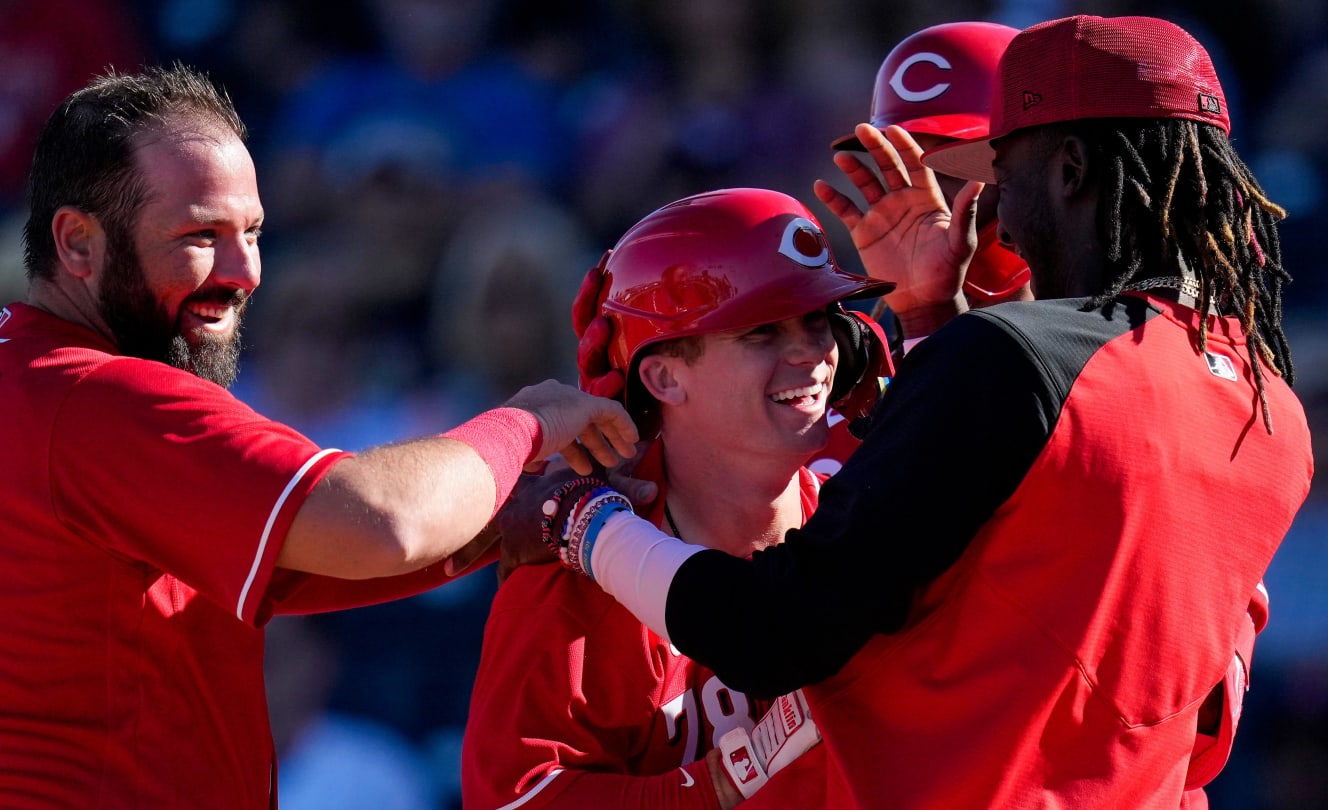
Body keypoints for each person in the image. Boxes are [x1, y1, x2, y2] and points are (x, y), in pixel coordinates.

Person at [524, 16, 1313, 807]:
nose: (983, 202)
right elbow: (1012, 564)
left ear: (1069, 168)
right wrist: (937, 324)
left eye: (1000, 165)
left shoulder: (1011, 360)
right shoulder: (1272, 407)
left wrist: (580, 520)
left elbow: (772, 633)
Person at [0, 64, 638, 807]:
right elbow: (382, 520)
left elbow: (289, 557)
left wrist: (502, 524)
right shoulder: (93, 393)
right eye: (200, 235)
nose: (244, 270)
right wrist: (527, 422)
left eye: (251, 232)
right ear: (78, 244)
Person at [461, 188, 893, 809]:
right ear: (664, 376)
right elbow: (516, 801)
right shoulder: (569, 587)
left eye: (818, 320)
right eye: (761, 332)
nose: (811, 354)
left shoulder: (876, 503)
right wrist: (716, 785)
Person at [830, 20, 1031, 321]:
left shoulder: (1099, 326)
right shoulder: (874, 328)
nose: (921, 190)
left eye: (949, 163)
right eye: (899, 161)